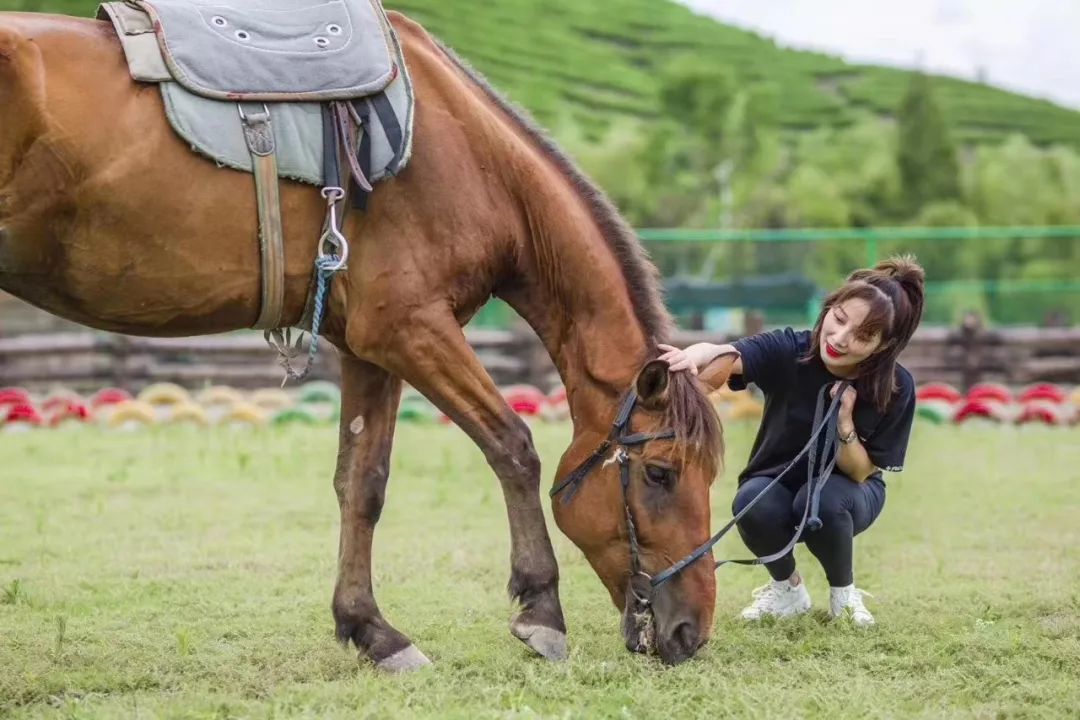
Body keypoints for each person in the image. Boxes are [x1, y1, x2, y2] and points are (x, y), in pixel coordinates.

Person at [659, 256, 925, 626]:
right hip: (775, 480)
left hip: (849, 494)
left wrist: (844, 421)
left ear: (883, 345)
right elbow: (731, 355)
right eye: (840, 318)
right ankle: (788, 591)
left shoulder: (895, 387)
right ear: (829, 307)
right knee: (751, 501)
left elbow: (863, 471)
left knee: (820, 501)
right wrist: (693, 355)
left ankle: (844, 596)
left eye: (863, 335)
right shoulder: (791, 348)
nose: (840, 338)